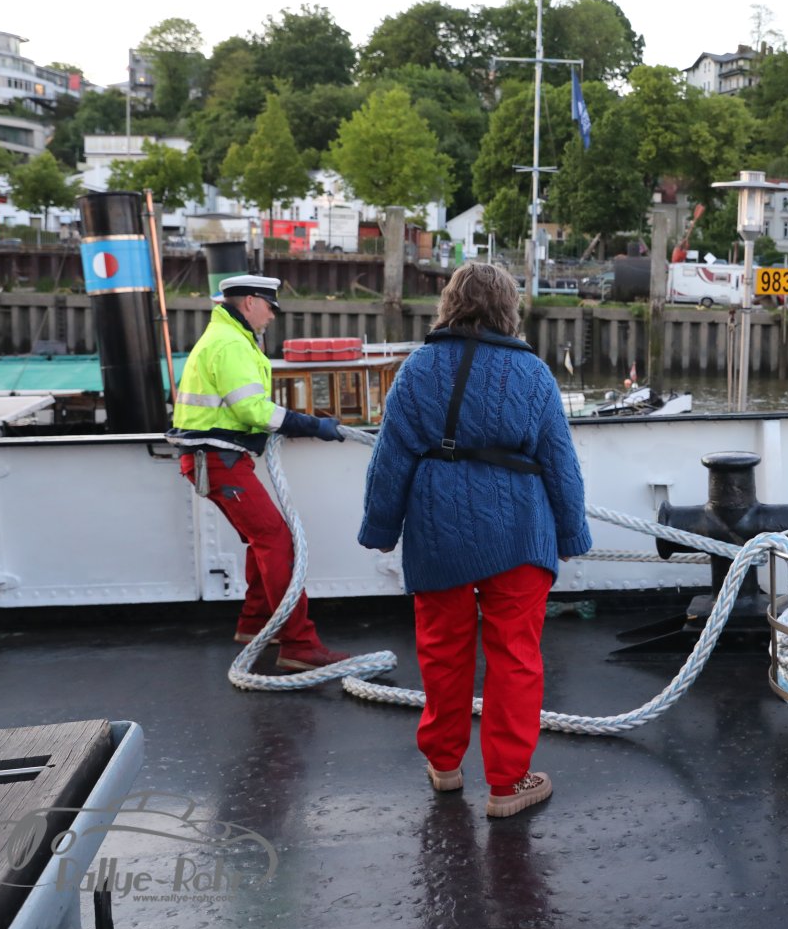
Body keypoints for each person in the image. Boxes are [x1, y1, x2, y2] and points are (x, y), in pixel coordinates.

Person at [358, 262, 592, 818]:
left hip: (438, 529)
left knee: (443, 649)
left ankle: (444, 765)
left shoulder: (416, 369)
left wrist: (381, 529)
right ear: (508, 308)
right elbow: (561, 463)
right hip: (519, 532)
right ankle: (508, 785)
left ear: (449, 303)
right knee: (516, 657)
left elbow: (389, 459)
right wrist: (571, 534)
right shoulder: (533, 374)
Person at [168, 274, 353, 672]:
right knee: (276, 541)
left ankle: (255, 624)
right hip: (218, 459)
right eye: (270, 307)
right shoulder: (231, 343)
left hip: (216, 458)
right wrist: (312, 425)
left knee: (262, 540)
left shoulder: (226, 337)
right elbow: (253, 410)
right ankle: (299, 644)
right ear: (250, 302)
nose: (271, 316)